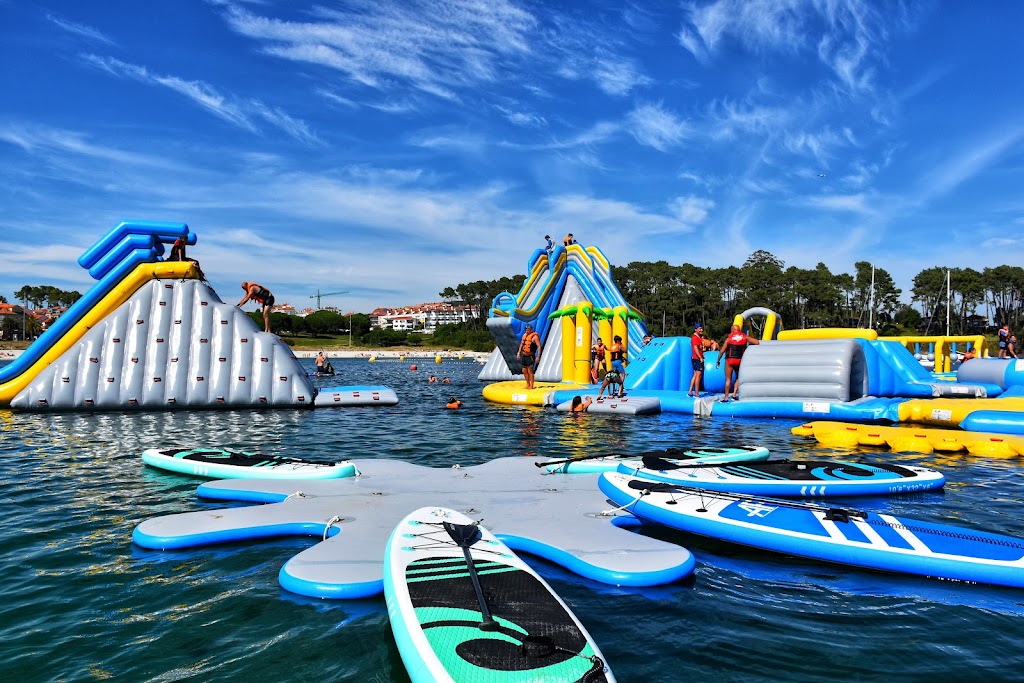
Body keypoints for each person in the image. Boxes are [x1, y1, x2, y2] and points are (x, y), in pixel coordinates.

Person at [716, 324, 760, 401]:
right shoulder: (745, 337)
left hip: (730, 360)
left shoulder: (729, 338)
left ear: (732, 330)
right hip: (740, 360)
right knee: (738, 378)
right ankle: (734, 394)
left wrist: (718, 360)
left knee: (728, 379)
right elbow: (756, 342)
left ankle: (726, 398)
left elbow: (722, 351)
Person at [517, 323, 541, 390]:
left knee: (530, 371)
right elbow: (522, 344)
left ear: (531, 330)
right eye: (526, 330)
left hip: (530, 356)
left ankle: (532, 385)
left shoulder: (535, 337)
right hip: (524, 356)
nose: (527, 331)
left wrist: (538, 356)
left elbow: (539, 346)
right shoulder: (524, 335)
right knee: (524, 370)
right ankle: (528, 384)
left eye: (528, 330)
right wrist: (519, 352)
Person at [687, 323, 705, 397]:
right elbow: (695, 348)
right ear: (696, 329)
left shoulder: (699, 337)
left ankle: (690, 391)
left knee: (695, 375)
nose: (701, 330)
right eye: (700, 329)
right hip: (696, 358)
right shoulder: (695, 338)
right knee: (698, 375)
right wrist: (700, 357)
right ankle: (697, 393)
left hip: (696, 358)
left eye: (702, 328)